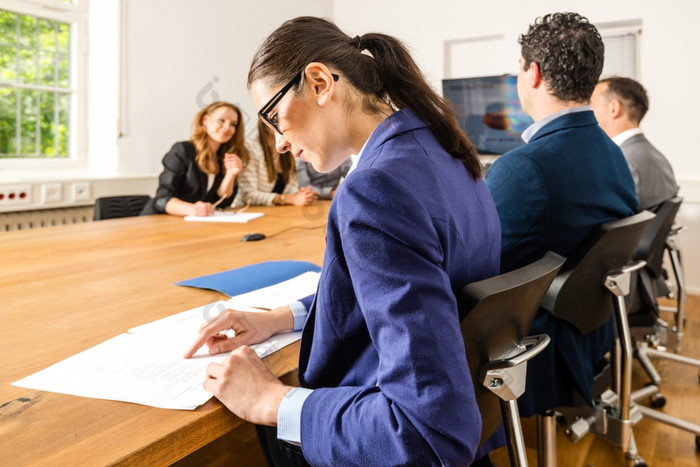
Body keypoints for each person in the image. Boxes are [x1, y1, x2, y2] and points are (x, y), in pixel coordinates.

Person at [184, 16, 502, 466]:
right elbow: (412, 286)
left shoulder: (374, 189)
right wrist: (281, 317)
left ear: (318, 83)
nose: (277, 143)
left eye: (274, 117)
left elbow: (428, 431)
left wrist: (271, 401)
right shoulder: (446, 151)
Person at [484, 12, 639, 417]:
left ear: (532, 73)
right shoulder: (614, 154)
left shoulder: (524, 167)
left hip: (536, 344)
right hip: (592, 331)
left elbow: (477, 270)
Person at [140, 102, 248, 217]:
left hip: (195, 224)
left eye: (233, 124)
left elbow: (221, 202)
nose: (227, 128)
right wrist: (192, 209)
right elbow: (162, 199)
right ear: (205, 120)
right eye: (221, 121)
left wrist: (230, 174)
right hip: (160, 221)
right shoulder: (182, 150)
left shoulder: (225, 158)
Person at [590, 76, 678, 211]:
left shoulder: (624, 162)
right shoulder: (657, 157)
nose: (587, 110)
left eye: (591, 104)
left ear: (613, 108)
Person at [236, 120, 318, 206]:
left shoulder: (289, 149)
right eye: (277, 120)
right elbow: (248, 195)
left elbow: (290, 188)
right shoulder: (250, 148)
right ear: (265, 123)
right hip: (248, 212)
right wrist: (289, 198)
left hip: (277, 212)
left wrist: (301, 195)